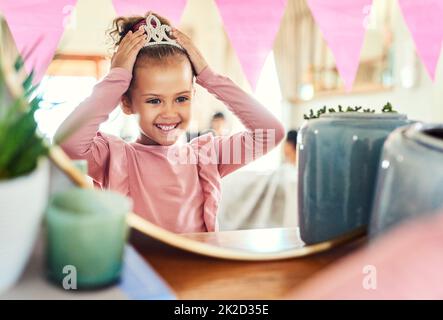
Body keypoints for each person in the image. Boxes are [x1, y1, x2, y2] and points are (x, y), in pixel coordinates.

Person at [55, 12, 285, 233]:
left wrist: (209, 77)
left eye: (181, 98)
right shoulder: (113, 157)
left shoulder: (205, 157)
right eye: (154, 100)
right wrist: (117, 78)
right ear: (126, 103)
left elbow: (271, 132)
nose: (170, 112)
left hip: (196, 269)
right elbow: (68, 142)